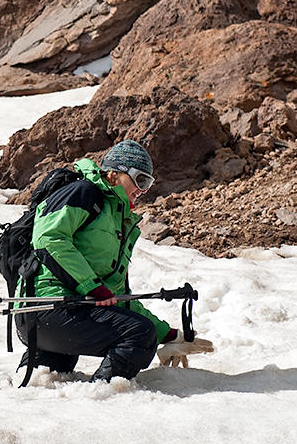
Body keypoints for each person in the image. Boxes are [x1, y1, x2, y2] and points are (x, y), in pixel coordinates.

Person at [15, 139, 210, 382]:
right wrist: (92, 287)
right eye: (140, 180)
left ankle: (25, 390)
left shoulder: (115, 220)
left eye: (148, 183)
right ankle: (104, 394)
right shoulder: (84, 193)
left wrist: (169, 335)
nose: (143, 189)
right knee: (139, 335)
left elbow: (116, 297)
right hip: (44, 308)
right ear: (115, 173)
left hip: (55, 321)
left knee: (54, 371)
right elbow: (49, 237)